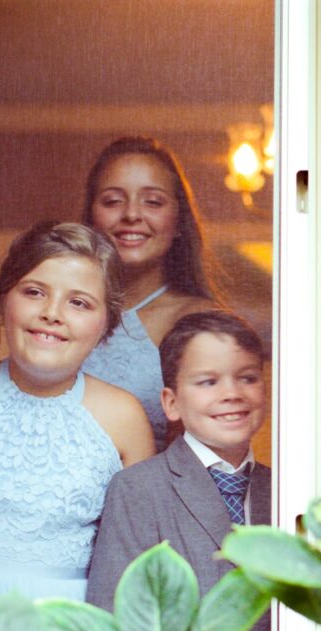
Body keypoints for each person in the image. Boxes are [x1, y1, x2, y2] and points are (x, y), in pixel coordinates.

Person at [0, 221, 155, 623]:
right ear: (3, 298)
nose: (51, 314)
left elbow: (137, 558)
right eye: (34, 292)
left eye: (79, 303)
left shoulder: (124, 417)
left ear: (105, 326)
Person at [86, 310, 271, 631]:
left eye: (247, 378)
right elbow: (115, 618)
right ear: (171, 403)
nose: (231, 393)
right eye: (208, 382)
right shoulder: (139, 489)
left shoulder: (285, 490)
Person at [81, 136, 221, 450]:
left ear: (179, 221)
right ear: (91, 217)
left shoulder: (201, 322)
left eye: (153, 202)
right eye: (113, 200)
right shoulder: (61, 309)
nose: (131, 214)